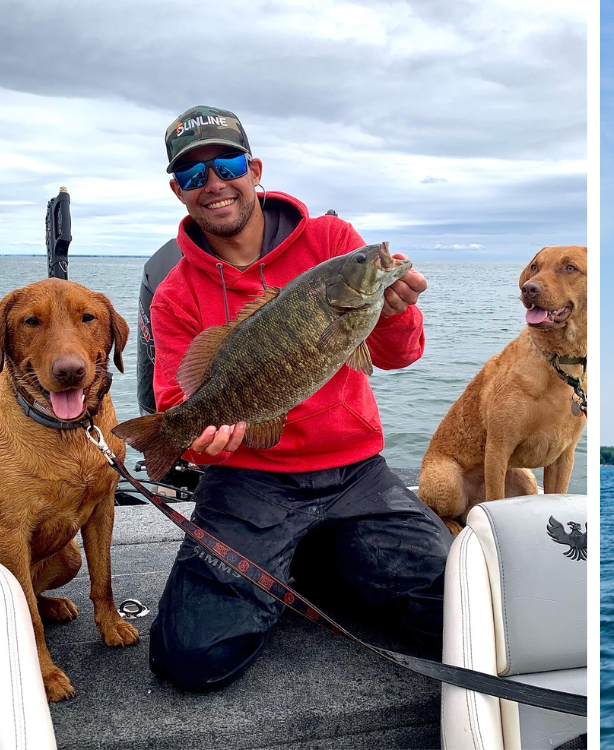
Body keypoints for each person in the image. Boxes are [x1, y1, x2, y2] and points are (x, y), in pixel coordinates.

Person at [146, 106, 452, 691]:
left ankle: (307, 563)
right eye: (192, 175)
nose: (213, 184)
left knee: (461, 620)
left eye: (227, 164)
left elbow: (397, 356)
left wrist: (395, 310)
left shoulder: (334, 243)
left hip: (356, 474)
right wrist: (200, 444)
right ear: (178, 192)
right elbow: (173, 405)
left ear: (253, 169)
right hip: (248, 481)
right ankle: (302, 560)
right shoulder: (176, 293)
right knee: (191, 658)